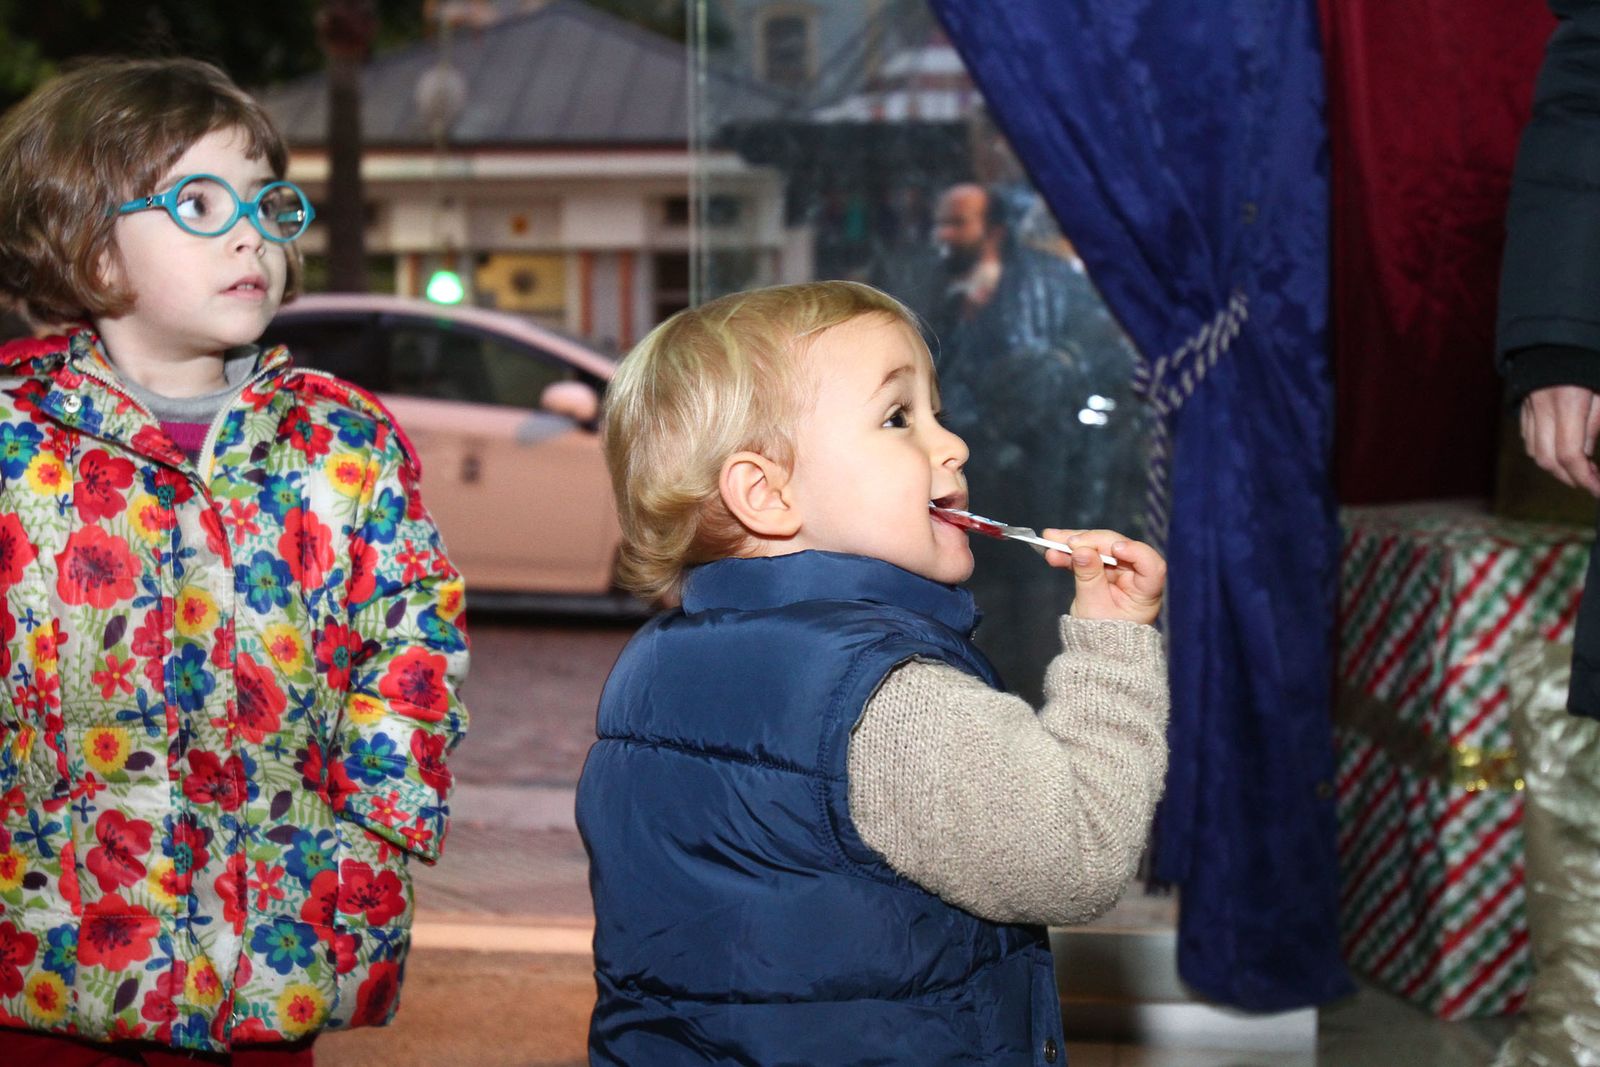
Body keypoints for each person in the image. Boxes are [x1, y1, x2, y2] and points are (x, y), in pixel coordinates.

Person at [0, 58, 469, 1063]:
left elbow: (413, 643)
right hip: (45, 944)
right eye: (201, 203)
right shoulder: (12, 436)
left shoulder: (342, 443)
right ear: (87, 239)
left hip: (271, 939)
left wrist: (370, 835)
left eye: (265, 201)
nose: (252, 232)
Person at [576, 280, 1169, 1064]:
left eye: (936, 411)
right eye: (898, 417)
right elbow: (1078, 857)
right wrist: (1113, 642)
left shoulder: (646, 674)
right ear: (766, 493)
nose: (953, 445)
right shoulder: (891, 699)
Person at [889, 181, 1146, 702]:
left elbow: (1108, 356)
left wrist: (1057, 368)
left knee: (1040, 629)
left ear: (995, 231)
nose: (943, 235)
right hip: (965, 495)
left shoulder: (1053, 284)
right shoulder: (927, 288)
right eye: (940, 223)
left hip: (1046, 486)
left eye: (957, 223)